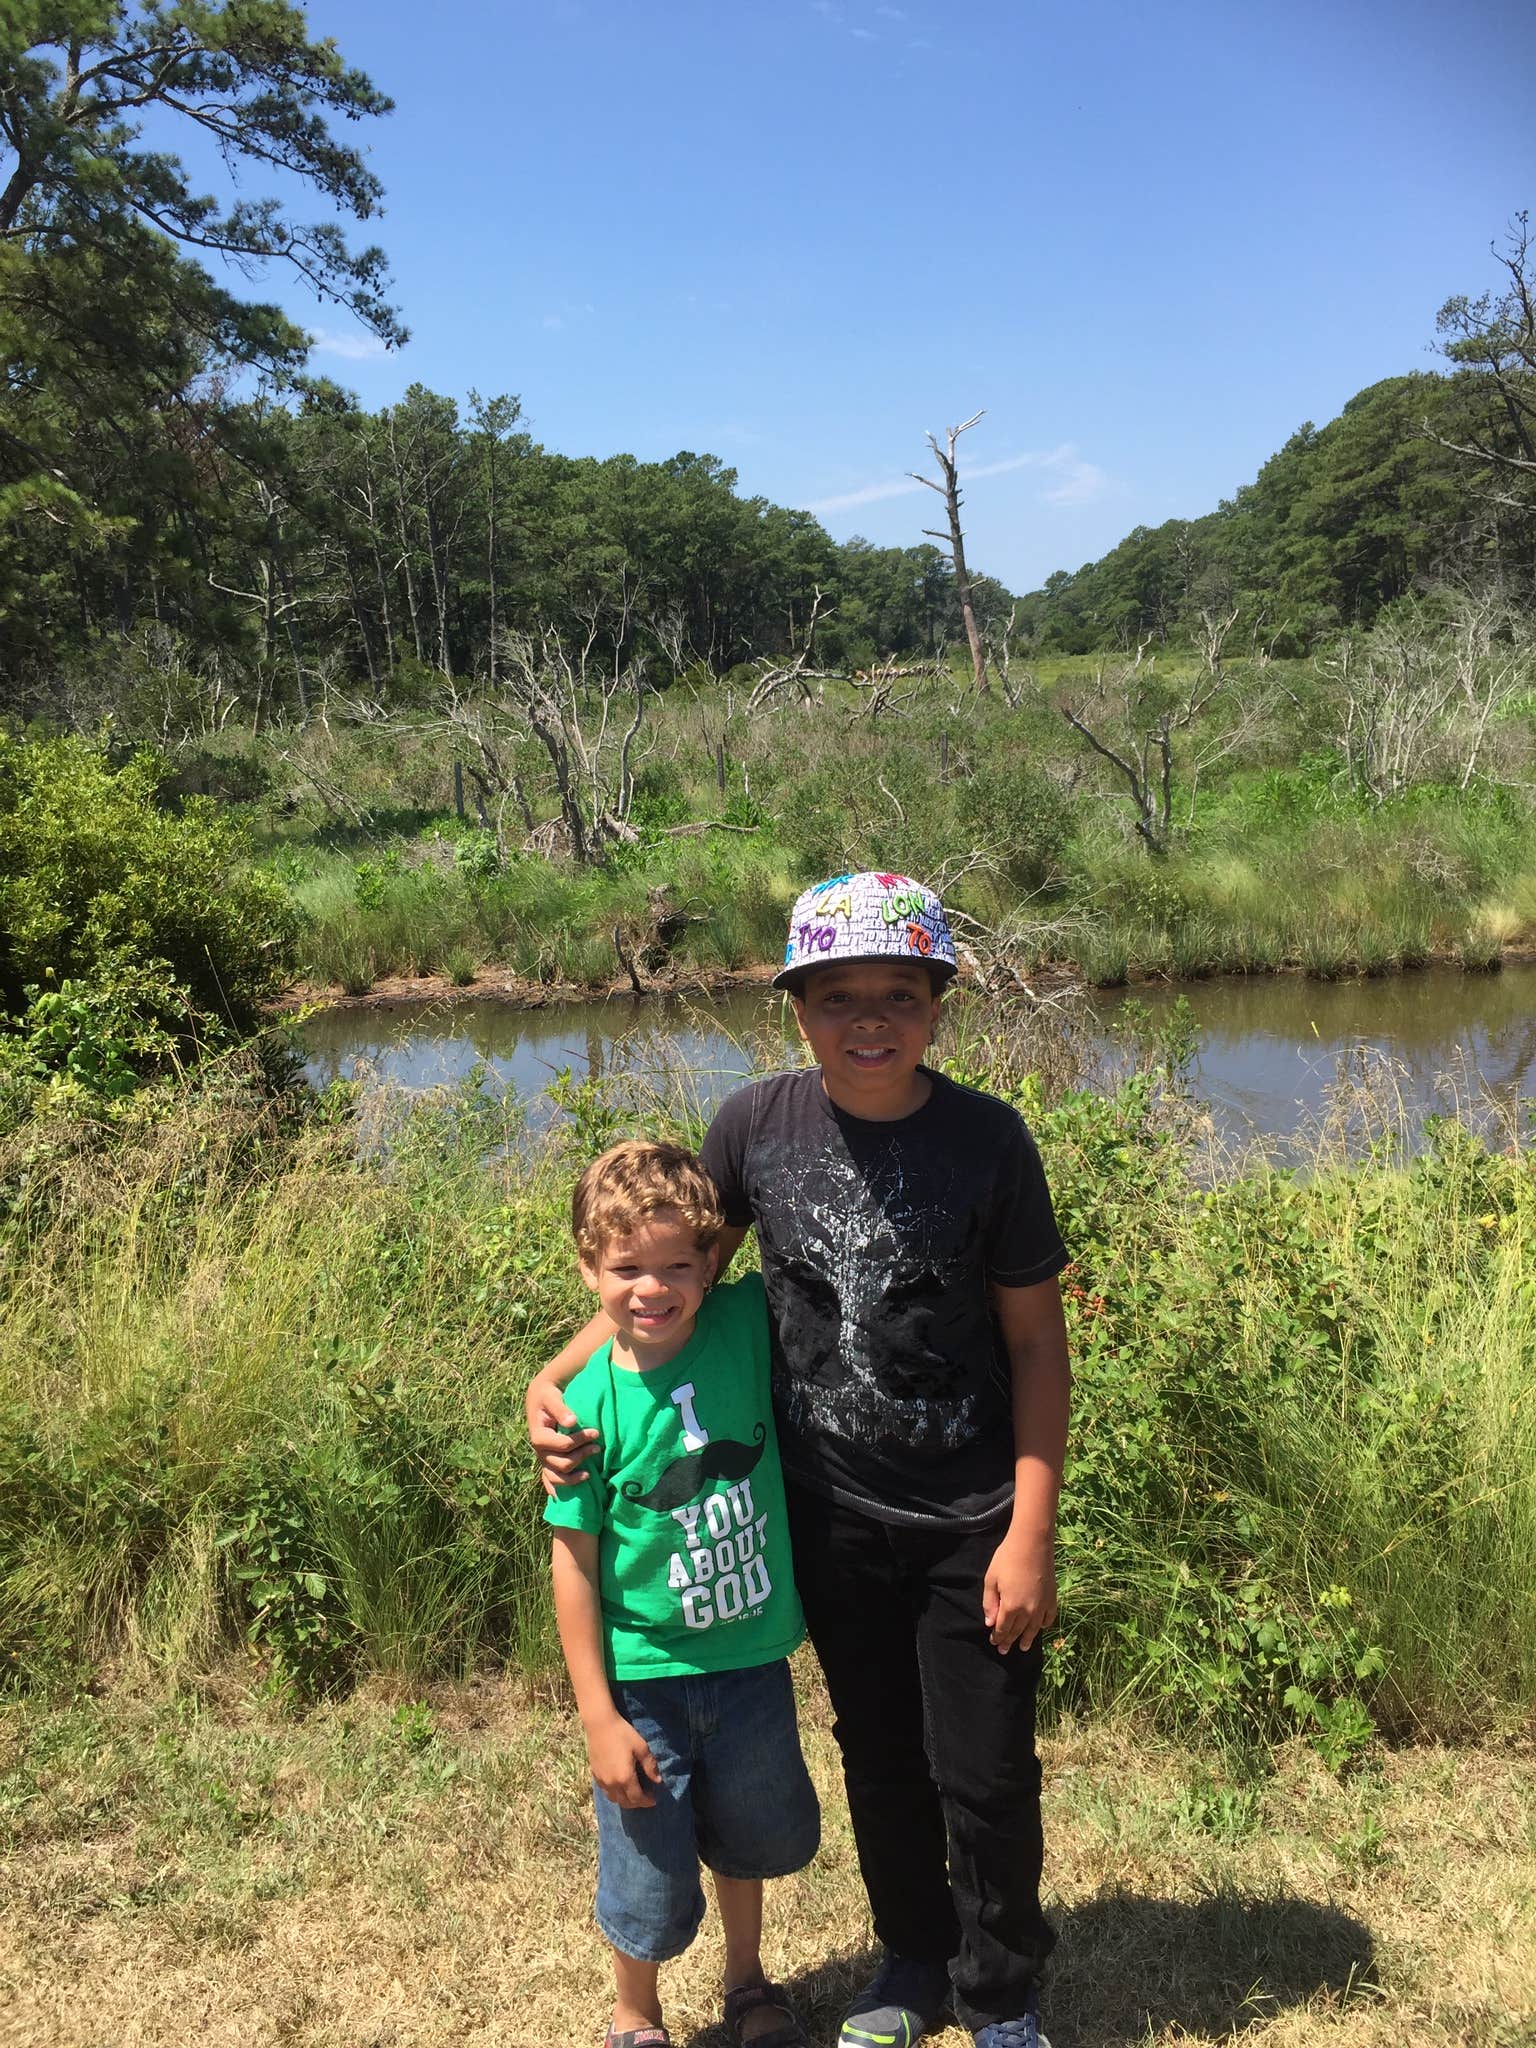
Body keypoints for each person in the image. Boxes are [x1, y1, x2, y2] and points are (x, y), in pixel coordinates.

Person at [530, 872, 1071, 2048]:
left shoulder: (989, 1140)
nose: (867, 1018)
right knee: (878, 1754)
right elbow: (663, 1274)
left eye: (896, 993)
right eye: (837, 996)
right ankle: (914, 1961)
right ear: (797, 1009)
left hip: (973, 1511)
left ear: (937, 1004)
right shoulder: (755, 1127)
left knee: (982, 1770)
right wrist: (557, 1373)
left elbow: (1036, 1343)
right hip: (826, 1515)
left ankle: (1002, 1992)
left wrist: (1030, 1528)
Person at [545, 1138, 819, 2048]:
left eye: (675, 1265)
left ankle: (748, 1983)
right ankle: (637, 2011)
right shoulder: (585, 1409)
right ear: (590, 1269)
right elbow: (575, 1563)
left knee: (752, 1838)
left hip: (749, 1664)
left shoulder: (742, 1323)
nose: (651, 1289)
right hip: (644, 1681)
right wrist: (597, 1715)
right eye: (626, 1268)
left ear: (709, 1264)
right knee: (646, 1870)